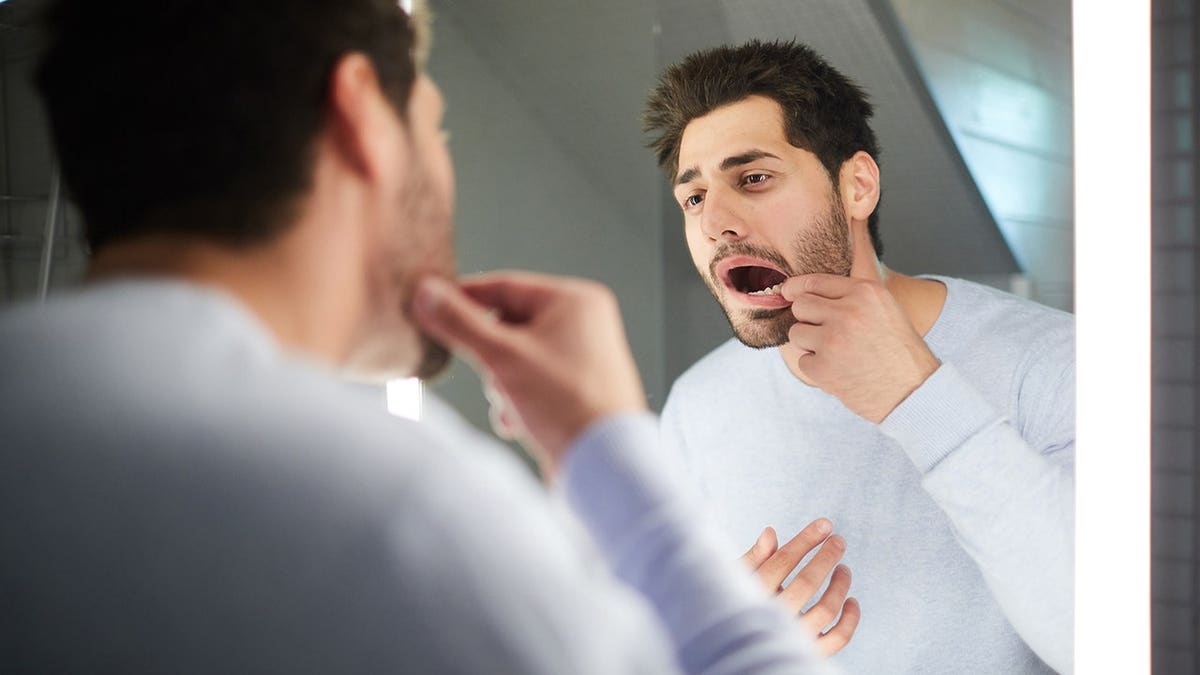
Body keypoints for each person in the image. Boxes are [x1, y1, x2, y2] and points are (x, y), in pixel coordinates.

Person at [0, 3, 852, 673]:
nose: (715, 220)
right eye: (435, 127)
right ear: (364, 116)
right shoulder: (393, 516)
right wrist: (609, 452)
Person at [643, 40, 1074, 674]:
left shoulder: (1051, 363)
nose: (716, 223)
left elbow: (1108, 641)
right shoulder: (698, 405)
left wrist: (917, 398)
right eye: (695, 198)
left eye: (753, 178)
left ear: (857, 186)